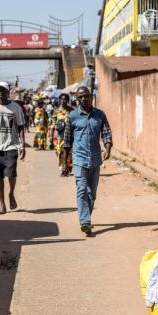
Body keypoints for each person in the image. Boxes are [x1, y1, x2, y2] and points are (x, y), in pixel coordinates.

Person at [62, 86, 112, 236]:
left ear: (90, 97)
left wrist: (108, 149)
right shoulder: (72, 117)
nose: (83, 99)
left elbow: (107, 133)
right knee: (82, 189)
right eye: (80, 97)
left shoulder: (100, 115)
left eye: (86, 96)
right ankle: (85, 221)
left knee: (92, 193)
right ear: (77, 99)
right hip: (79, 159)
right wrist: (65, 163)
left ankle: (86, 217)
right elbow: (66, 142)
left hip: (96, 159)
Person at [0, 81, 26, 215]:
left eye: (3, 90)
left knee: (11, 175)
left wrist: (22, 145)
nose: (1, 93)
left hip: (11, 145)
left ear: (8, 92)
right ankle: (2, 205)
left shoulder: (16, 108)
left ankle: (11, 193)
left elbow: (20, 127)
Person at [55, 93, 74, 175]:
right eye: (61, 99)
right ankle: (64, 166)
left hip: (69, 134)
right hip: (59, 135)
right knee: (60, 152)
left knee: (68, 152)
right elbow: (52, 123)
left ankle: (66, 168)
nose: (63, 101)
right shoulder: (56, 111)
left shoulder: (72, 110)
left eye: (65, 99)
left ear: (68, 100)